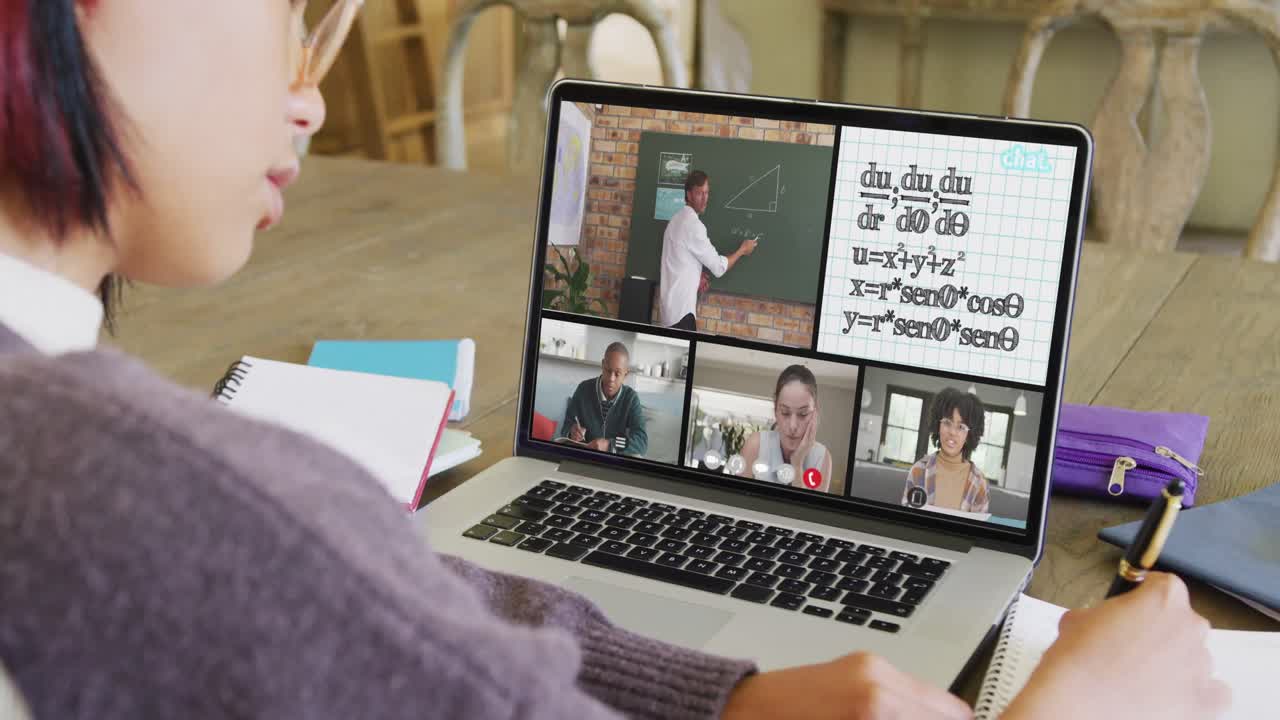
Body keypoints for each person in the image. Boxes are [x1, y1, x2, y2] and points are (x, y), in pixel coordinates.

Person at [0, 3, 1230, 719]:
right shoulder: (161, 498)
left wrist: (727, 699)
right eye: (283, 9)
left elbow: (392, 613)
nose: (308, 90)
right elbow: (306, 575)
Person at [659, 170, 757, 330]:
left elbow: (677, 262)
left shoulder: (675, 220)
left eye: (707, 193)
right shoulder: (693, 226)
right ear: (689, 195)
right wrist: (742, 250)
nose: (705, 199)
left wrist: (696, 275)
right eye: (699, 193)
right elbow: (718, 268)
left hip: (669, 312)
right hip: (681, 315)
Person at [736, 365, 833, 493]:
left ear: (815, 413)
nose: (793, 426)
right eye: (785, 413)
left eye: (803, 414)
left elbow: (808, 513)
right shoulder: (755, 445)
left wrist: (797, 464)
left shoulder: (822, 458)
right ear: (775, 411)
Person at [902, 388, 991, 514]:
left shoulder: (979, 483)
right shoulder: (918, 470)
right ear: (938, 426)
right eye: (947, 422)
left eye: (961, 427)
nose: (952, 432)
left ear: (970, 434)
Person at [558, 341, 648, 457]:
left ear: (626, 374)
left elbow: (641, 441)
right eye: (608, 370)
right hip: (586, 456)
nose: (611, 378)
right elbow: (566, 425)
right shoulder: (583, 389)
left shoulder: (631, 398)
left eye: (617, 373)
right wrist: (571, 432)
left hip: (615, 459)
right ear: (602, 365)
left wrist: (610, 446)